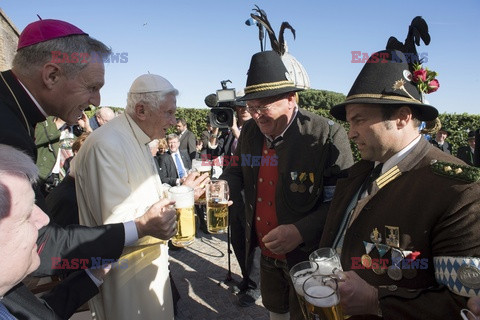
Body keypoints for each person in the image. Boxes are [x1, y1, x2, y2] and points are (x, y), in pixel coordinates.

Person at [0, 18, 183, 317]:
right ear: (52, 75)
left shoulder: (15, 112)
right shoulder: (6, 128)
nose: (96, 101)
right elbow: (42, 239)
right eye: (92, 87)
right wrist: (140, 227)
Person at [321, 27, 480, 318]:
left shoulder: (457, 188)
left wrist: (377, 302)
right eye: (349, 122)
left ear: (403, 117)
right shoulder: (360, 171)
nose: (351, 133)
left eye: (359, 120)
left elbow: (461, 302)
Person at [220, 50, 353, 320]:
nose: (257, 116)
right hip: (266, 256)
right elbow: (236, 171)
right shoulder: (249, 131)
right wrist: (220, 187)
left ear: (291, 99)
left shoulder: (326, 134)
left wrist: (300, 231)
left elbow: (342, 203)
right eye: (251, 108)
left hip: (308, 258)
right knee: (275, 313)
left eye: (264, 107)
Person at [75, 74, 207, 320]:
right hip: (124, 276)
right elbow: (116, 224)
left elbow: (148, 197)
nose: (173, 121)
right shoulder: (108, 144)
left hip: (148, 266)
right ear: (141, 110)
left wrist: (184, 193)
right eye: (168, 112)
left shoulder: (138, 139)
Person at [0, 144, 110, 319]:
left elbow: (41, 314)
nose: (43, 219)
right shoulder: (69, 198)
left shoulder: (9, 289)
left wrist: (93, 275)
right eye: (27, 213)